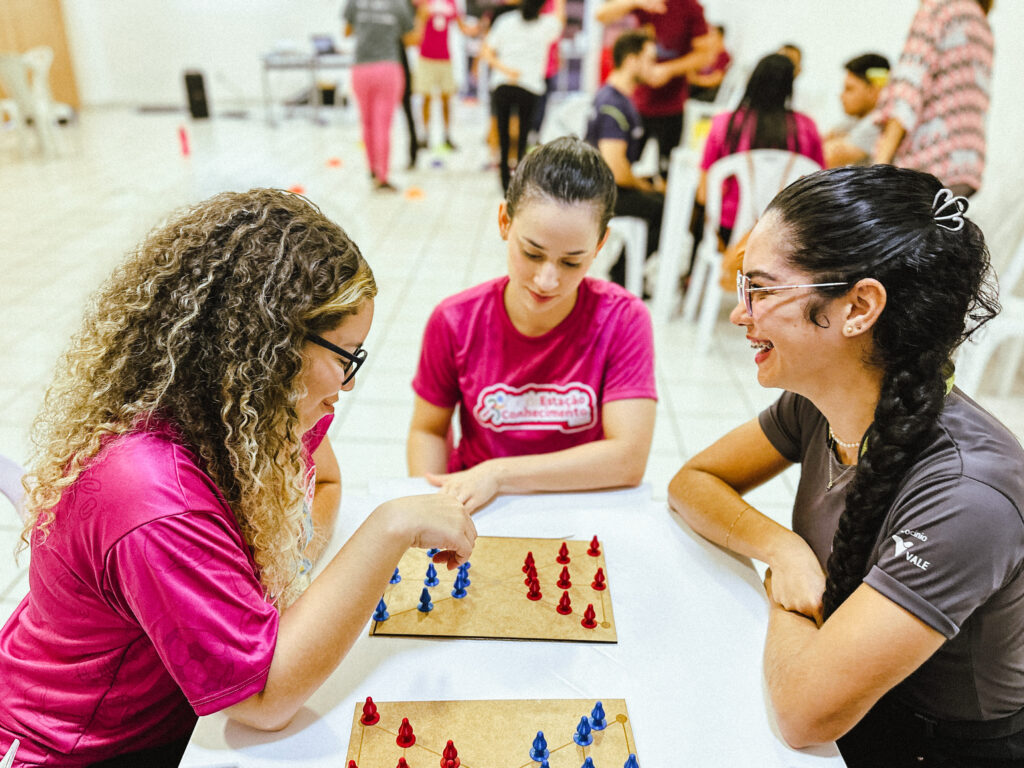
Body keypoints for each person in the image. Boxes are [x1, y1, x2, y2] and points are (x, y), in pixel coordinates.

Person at [0, 189, 477, 767]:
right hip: (77, 748)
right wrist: (390, 527)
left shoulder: (242, 419)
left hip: (169, 712)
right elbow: (264, 700)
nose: (349, 385)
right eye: (346, 355)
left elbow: (322, 486)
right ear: (270, 348)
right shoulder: (154, 496)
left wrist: (276, 577)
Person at [669, 165, 1024, 766]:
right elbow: (692, 483)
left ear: (858, 307)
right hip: (852, 701)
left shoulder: (968, 497)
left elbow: (806, 712)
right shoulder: (821, 402)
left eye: (760, 289)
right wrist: (784, 552)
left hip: (937, 746)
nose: (740, 314)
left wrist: (785, 597)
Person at [407, 137, 657, 513]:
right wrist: (433, 509)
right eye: (532, 253)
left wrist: (501, 474)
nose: (547, 280)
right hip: (478, 508)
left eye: (572, 262)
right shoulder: (455, 321)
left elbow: (627, 458)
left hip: (580, 504)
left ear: (601, 243)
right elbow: (428, 428)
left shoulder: (623, 320)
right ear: (505, 221)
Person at [697, 53, 824, 246]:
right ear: (790, 86)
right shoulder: (807, 128)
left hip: (729, 231)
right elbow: (818, 189)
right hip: (784, 234)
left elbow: (703, 194)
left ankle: (697, 273)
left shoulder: (725, 124)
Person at [874, 0, 993, 197]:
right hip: (965, 166)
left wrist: (879, 167)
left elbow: (909, 87)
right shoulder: (981, 23)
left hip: (924, 163)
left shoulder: (938, 8)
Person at [595, 0, 713, 177]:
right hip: (639, 105)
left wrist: (669, 70)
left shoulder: (690, 7)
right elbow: (601, 15)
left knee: (666, 171)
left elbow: (706, 55)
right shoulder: (643, 4)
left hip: (672, 106)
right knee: (623, 165)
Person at [585, 29, 664, 288]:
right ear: (631, 60)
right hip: (600, 193)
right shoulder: (614, 105)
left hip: (603, 184)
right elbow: (616, 168)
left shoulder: (618, 98)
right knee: (663, 208)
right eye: (649, 59)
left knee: (660, 198)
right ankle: (622, 275)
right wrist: (645, 185)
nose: (654, 67)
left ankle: (625, 271)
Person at [480, 0, 566, 192]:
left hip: (503, 84)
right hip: (529, 87)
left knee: (502, 135)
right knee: (523, 136)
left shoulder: (505, 21)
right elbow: (560, 19)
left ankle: (504, 181)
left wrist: (506, 70)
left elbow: (487, 50)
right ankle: (517, 179)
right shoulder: (546, 25)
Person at [344, 0, 416, 191]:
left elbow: (347, 31)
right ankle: (382, 177)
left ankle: (372, 170)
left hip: (361, 67)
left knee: (367, 123)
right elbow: (410, 39)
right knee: (382, 125)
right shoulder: (399, 5)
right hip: (388, 67)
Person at [412, 0, 478, 152]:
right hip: (426, 56)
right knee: (426, 97)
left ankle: (447, 135)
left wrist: (478, 28)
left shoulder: (452, 4)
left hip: (444, 57)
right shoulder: (425, 3)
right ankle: (425, 135)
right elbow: (418, 27)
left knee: (446, 98)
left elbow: (463, 28)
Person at [823, 53, 890, 168]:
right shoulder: (856, 119)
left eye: (849, 89)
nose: (841, 96)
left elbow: (826, 157)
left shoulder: (878, 123)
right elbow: (823, 139)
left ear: (873, 90)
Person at [687, 23, 730, 103]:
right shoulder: (710, 54)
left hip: (707, 91)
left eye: (712, 35)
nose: (709, 38)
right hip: (698, 87)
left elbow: (715, 80)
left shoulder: (724, 56)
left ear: (720, 37)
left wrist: (695, 80)